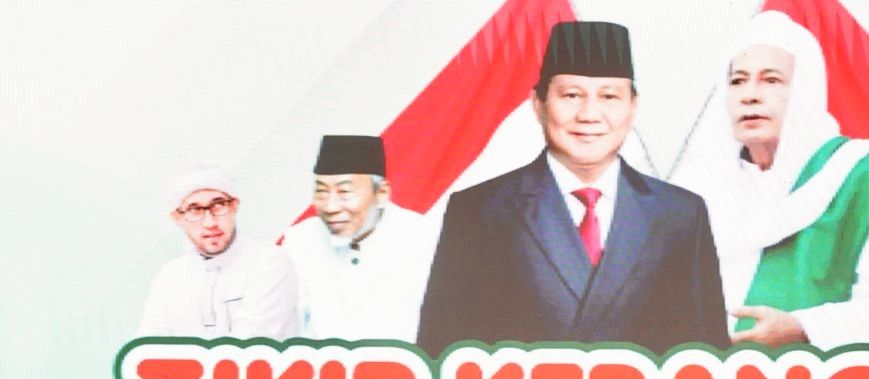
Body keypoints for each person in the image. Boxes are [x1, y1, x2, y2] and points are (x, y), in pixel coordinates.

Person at [417, 21, 727, 355]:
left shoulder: (679, 213)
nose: (590, 115)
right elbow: (442, 351)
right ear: (538, 104)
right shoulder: (480, 209)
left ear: (633, 107)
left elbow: (703, 356)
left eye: (609, 96)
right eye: (571, 96)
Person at [675, 11, 869, 350]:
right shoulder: (693, 186)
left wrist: (802, 327)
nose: (750, 95)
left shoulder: (860, 176)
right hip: (706, 375)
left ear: (805, 90)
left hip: (815, 377)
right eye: (738, 81)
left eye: (771, 80)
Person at [281, 136, 434, 340]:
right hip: (321, 358)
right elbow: (288, 322)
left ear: (381, 193)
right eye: (322, 192)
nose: (330, 207)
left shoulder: (425, 238)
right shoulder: (301, 239)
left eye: (345, 192)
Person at [137, 166, 300, 338]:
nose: (210, 223)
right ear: (178, 218)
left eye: (219, 205)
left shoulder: (268, 261)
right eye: (194, 209)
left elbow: (252, 342)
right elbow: (150, 342)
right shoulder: (170, 276)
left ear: (234, 206)